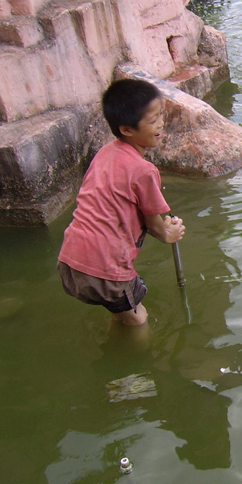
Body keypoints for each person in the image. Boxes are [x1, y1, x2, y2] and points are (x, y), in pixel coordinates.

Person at [57, 79, 185, 327]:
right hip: (103, 267)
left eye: (160, 115)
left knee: (121, 311)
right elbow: (154, 223)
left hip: (71, 258)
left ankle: (118, 338)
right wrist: (169, 233)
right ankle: (136, 363)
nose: (161, 124)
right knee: (138, 319)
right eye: (152, 121)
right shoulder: (144, 170)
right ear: (127, 129)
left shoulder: (106, 153)